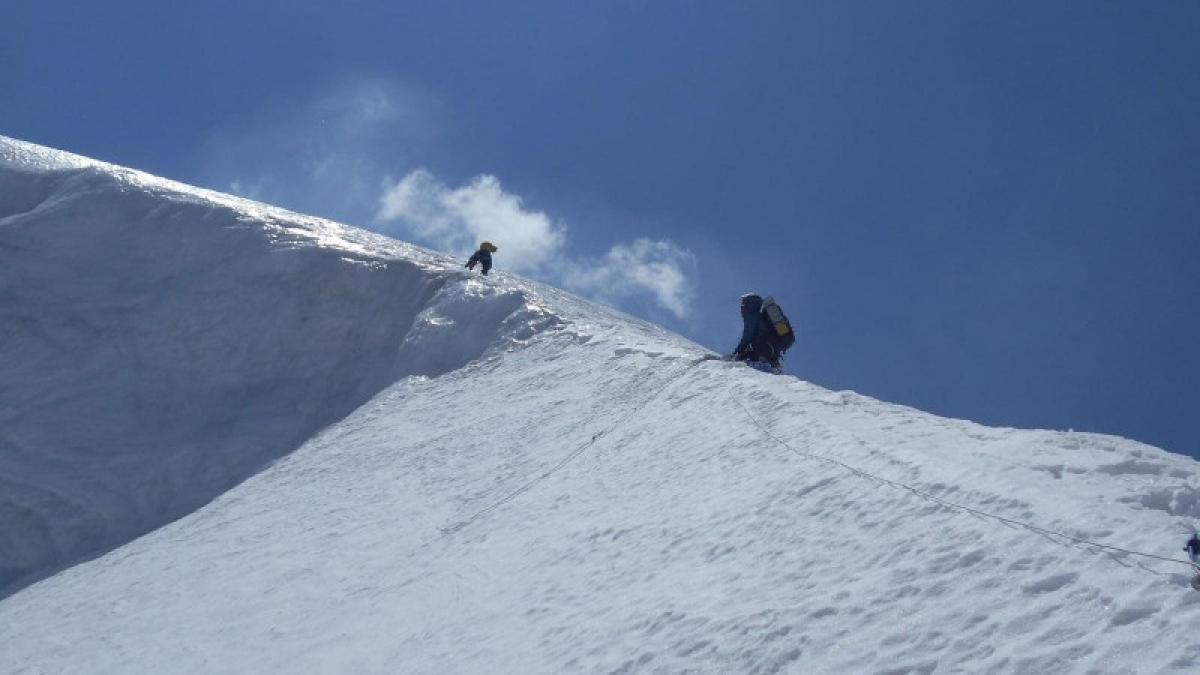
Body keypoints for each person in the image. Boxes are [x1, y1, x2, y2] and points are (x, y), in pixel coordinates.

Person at [729, 293, 783, 373]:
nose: (742, 307)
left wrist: (736, 353)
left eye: (744, 303)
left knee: (743, 358)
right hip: (771, 350)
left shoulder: (752, 316)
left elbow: (747, 337)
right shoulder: (761, 316)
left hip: (762, 348)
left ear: (750, 303)